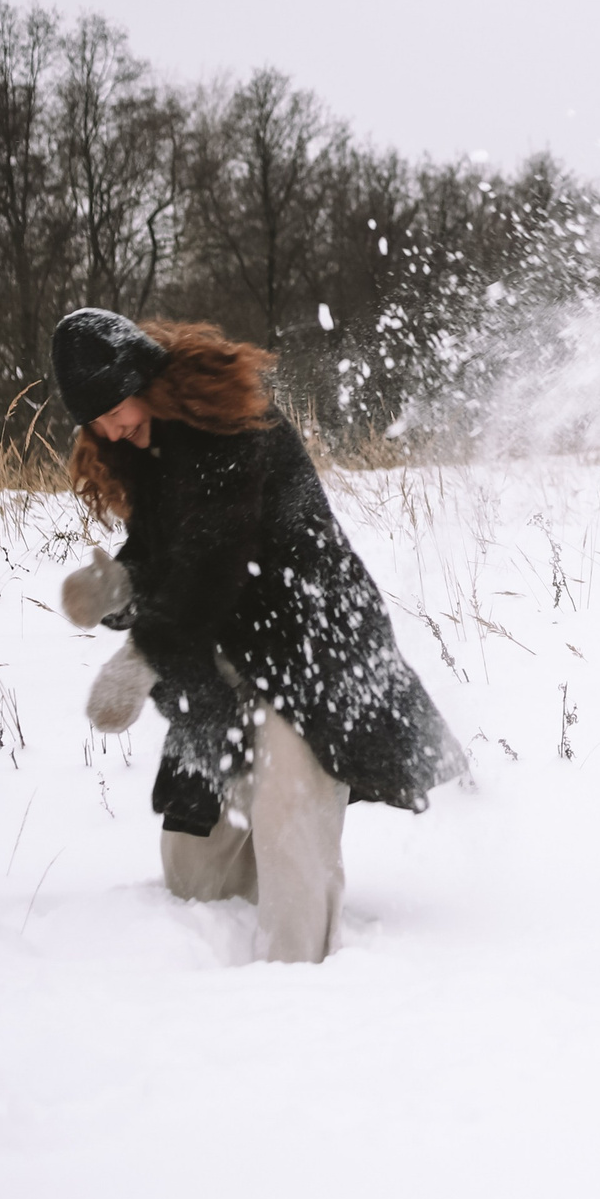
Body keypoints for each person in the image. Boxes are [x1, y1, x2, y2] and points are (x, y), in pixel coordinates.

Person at [50, 309, 467, 963]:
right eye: (95, 421)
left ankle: (296, 981)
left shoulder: (230, 427)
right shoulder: (146, 448)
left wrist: (140, 657)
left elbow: (213, 564)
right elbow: (165, 553)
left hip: (309, 648)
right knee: (194, 865)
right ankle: (214, 945)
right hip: (220, 661)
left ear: (144, 379)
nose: (110, 429)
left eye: (115, 408)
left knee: (286, 815)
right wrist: (119, 586)